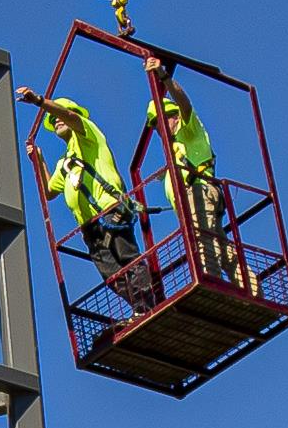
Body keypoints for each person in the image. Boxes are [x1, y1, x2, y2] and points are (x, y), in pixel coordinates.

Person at [23, 91, 153, 309]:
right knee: (110, 274)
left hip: (110, 209)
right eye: (53, 121)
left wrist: (40, 102)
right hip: (90, 227)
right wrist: (39, 160)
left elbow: (72, 119)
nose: (56, 121)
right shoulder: (65, 162)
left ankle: (148, 303)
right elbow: (49, 191)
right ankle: (139, 307)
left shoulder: (89, 133)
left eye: (59, 116)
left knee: (127, 257)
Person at [151, 71, 246, 287]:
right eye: (155, 124)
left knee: (203, 244)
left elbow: (184, 103)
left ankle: (212, 287)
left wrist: (165, 78)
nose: (159, 127)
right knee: (223, 250)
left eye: (162, 119)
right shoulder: (175, 147)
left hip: (198, 193)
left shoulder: (189, 130)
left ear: (174, 116)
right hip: (194, 199)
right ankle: (248, 288)